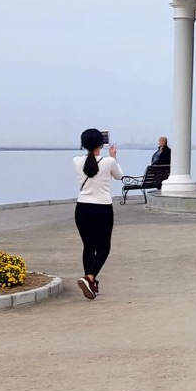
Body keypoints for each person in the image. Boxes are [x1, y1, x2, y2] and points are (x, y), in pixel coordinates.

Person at [73, 128, 122, 299]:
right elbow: (119, 176)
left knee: (88, 247)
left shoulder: (76, 161)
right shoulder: (108, 162)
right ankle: (90, 277)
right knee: (103, 248)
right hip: (102, 208)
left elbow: (90, 165)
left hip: (82, 208)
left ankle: (90, 283)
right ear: (101, 143)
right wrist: (114, 157)